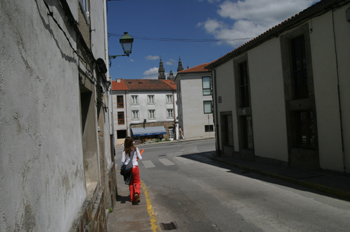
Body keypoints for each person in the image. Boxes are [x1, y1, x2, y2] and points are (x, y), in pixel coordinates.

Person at [121, 137, 143, 204]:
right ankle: (137, 192)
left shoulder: (124, 151)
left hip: (128, 169)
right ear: (132, 142)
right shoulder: (136, 149)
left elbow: (122, 161)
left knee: (130, 183)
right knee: (137, 182)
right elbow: (140, 158)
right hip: (135, 167)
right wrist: (136, 158)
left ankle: (132, 198)